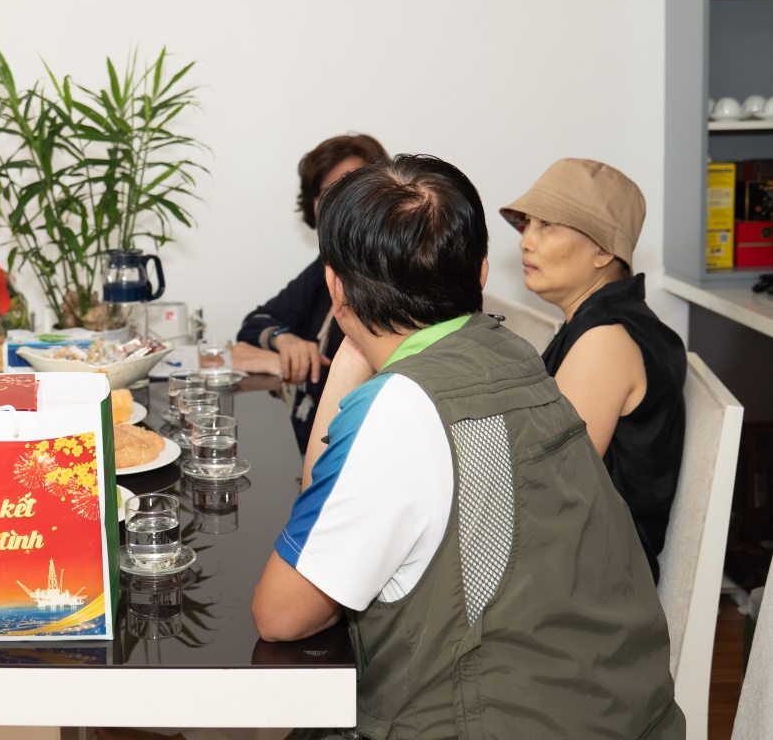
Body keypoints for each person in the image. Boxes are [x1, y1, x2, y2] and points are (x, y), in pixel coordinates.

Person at [252, 155, 683, 739]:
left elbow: (280, 615)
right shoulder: (511, 354)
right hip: (619, 705)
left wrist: (352, 335)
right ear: (482, 272)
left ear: (335, 287)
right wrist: (358, 345)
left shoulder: (403, 406)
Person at [501, 157, 686, 582]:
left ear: (603, 251)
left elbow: (546, 489)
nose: (525, 241)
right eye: (527, 224)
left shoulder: (606, 339)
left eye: (547, 224)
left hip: (590, 587)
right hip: (571, 563)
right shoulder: (594, 323)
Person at [234, 133, 387, 454]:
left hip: (351, 451)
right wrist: (283, 341)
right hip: (301, 443)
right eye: (327, 193)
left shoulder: (393, 278)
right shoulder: (328, 266)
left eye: (351, 188)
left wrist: (281, 364)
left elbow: (370, 385)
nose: (338, 202)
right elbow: (255, 324)